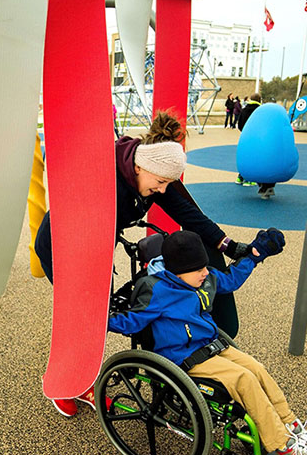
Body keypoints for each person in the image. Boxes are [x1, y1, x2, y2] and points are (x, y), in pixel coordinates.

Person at [35, 111, 251, 417]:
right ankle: (64, 382)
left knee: (98, 314)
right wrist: (86, 282)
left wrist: (226, 244)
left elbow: (189, 214)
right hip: (64, 249)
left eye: (167, 184)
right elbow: (73, 213)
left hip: (97, 249)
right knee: (79, 316)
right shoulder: (104, 176)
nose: (162, 190)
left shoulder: (153, 174)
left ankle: (84, 375)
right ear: (138, 167)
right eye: (160, 183)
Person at [108, 229, 307, 455]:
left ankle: (290, 425)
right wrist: (99, 318)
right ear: (177, 271)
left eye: (205, 266)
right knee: (244, 379)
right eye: (199, 269)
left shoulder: (203, 277)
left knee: (257, 368)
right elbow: (132, 322)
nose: (206, 273)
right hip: (181, 357)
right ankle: (282, 445)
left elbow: (231, 279)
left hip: (211, 344)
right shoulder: (157, 290)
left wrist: (255, 256)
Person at [235, 93, 274, 197]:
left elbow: (239, 124)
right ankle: (250, 179)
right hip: (257, 138)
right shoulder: (260, 111)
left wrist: (244, 131)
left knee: (245, 156)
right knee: (255, 157)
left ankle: (241, 177)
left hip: (245, 137)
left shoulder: (244, 109)